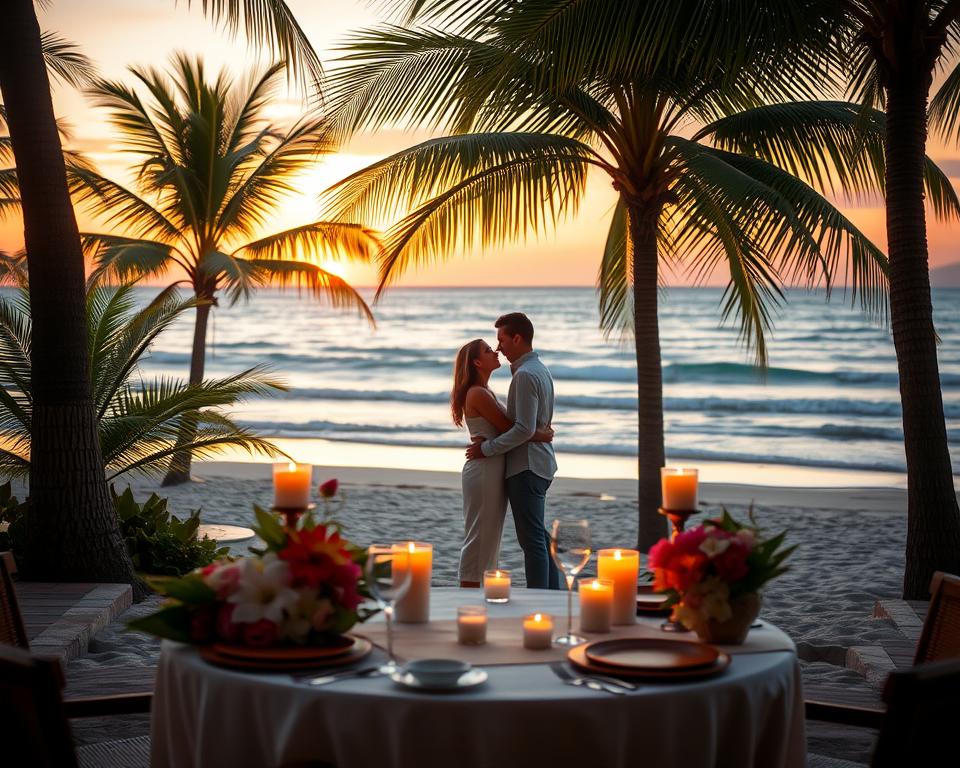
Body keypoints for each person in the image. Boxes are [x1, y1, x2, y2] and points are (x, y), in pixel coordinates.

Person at [465, 312, 561, 589]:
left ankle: (541, 598)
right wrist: (538, 433)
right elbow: (527, 427)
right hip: (539, 464)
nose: (498, 348)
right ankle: (552, 594)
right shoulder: (539, 369)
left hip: (527, 466)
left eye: (501, 340)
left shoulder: (525, 375)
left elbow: (522, 429)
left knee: (532, 542)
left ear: (517, 338)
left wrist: (487, 448)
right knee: (540, 538)